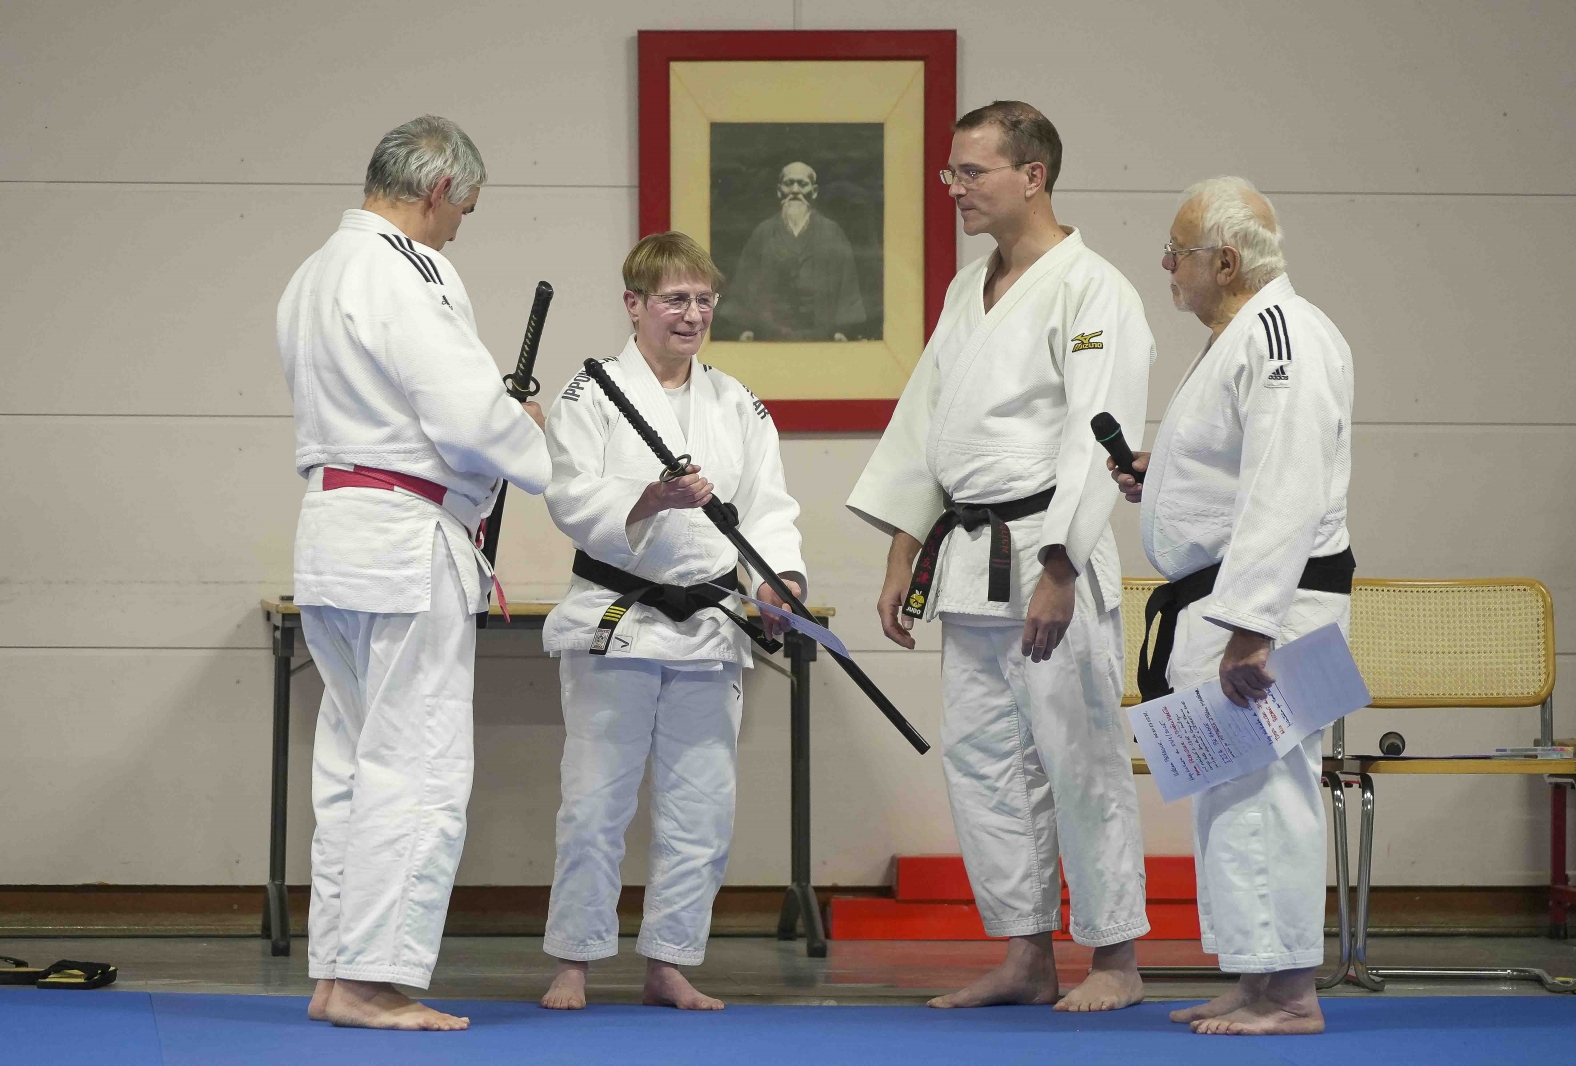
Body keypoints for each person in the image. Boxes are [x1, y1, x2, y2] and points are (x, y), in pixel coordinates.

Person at [847, 101, 1155, 1012]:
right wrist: (904, 552)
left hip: (1049, 557)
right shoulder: (965, 289)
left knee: (1080, 756)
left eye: (972, 171)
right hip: (970, 559)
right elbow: (924, 428)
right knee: (985, 763)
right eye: (950, 172)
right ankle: (1025, 955)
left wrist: (1061, 568)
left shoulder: (1092, 289)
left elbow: (1101, 435)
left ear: (1033, 175)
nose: (955, 188)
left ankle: (1116, 958)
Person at [277, 115, 552, 1032]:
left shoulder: (314, 272)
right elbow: (469, 419)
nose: (459, 228)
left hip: (333, 529)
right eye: (464, 209)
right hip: (402, 535)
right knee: (419, 757)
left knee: (353, 760)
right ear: (438, 191)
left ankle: (336, 972)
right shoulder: (406, 268)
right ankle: (372, 982)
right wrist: (533, 440)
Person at [1109, 176, 1354, 1036]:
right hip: (1224, 602)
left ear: (1224, 261)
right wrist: (1165, 481)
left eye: (1176, 252)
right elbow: (1236, 469)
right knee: (1229, 792)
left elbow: (1287, 487)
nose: (1166, 265)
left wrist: (1251, 628)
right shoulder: (1239, 337)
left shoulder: (1283, 334)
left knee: (1268, 795)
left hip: (1270, 613)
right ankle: (1256, 980)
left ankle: (1291, 995)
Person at [538, 231, 807, 1011]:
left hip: (710, 623)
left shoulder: (736, 402)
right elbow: (568, 496)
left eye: (703, 300)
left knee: (701, 808)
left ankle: (670, 959)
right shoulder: (590, 395)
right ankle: (575, 959)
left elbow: (769, 507)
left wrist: (781, 578)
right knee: (595, 802)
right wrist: (648, 498)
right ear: (634, 305)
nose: (692, 315)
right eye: (675, 300)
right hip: (618, 620)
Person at [725, 161, 867, 341]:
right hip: (771, 337)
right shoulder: (763, 233)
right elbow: (745, 285)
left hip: (821, 338)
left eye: (802, 184)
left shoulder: (832, 233)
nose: (795, 190)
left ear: (814, 191)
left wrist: (842, 330)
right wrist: (746, 328)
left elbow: (847, 286)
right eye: (789, 183)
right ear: (779, 191)